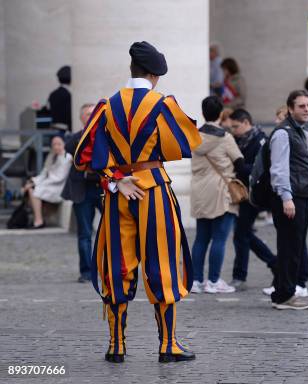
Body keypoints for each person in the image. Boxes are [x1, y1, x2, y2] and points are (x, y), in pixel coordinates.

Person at [73, 41, 202, 363]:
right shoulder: (162, 103)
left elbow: (83, 156)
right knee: (163, 265)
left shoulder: (107, 105)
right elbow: (183, 145)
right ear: (156, 74)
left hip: (119, 192)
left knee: (117, 265)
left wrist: (116, 178)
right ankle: (167, 344)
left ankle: (116, 346)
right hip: (154, 189)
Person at [269, 90, 308, 310]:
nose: (307, 109)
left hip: (302, 195)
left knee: (294, 246)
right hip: (292, 198)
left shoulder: (301, 131)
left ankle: (283, 292)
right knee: (290, 247)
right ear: (290, 108)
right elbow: (279, 168)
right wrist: (286, 197)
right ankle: (285, 295)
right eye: (301, 106)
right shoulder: (283, 133)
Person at [190, 96, 244, 294]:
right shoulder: (225, 137)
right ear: (221, 113)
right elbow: (239, 162)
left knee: (201, 238)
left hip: (199, 189)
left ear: (203, 113)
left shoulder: (193, 136)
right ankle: (213, 281)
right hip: (221, 190)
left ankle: (196, 281)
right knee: (219, 238)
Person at [228, 108, 276, 290]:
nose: (233, 130)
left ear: (247, 123)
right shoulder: (238, 139)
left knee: (242, 234)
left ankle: (241, 275)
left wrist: (239, 166)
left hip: (255, 193)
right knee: (244, 234)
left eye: (236, 126)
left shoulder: (260, 140)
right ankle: (273, 263)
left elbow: (259, 168)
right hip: (242, 192)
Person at [61, 103, 103, 282]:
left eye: (94, 113)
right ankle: (86, 272)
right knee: (85, 234)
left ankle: (112, 269)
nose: (92, 116)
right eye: (88, 114)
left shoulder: (105, 137)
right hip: (82, 190)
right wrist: (86, 135)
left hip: (103, 188)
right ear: (81, 118)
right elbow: (68, 146)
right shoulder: (76, 138)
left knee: (113, 231)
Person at [22, 135, 72, 229]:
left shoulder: (67, 157)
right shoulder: (52, 156)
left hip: (58, 187)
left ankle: (38, 220)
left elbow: (59, 178)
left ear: (64, 144)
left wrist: (36, 184)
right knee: (30, 188)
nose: (56, 146)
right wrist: (33, 181)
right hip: (49, 185)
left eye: (59, 144)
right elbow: (44, 173)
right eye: (54, 144)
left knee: (34, 190)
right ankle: (38, 219)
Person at [47, 65, 72, 134]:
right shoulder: (68, 95)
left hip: (53, 128)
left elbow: (48, 108)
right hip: (65, 131)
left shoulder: (53, 94)